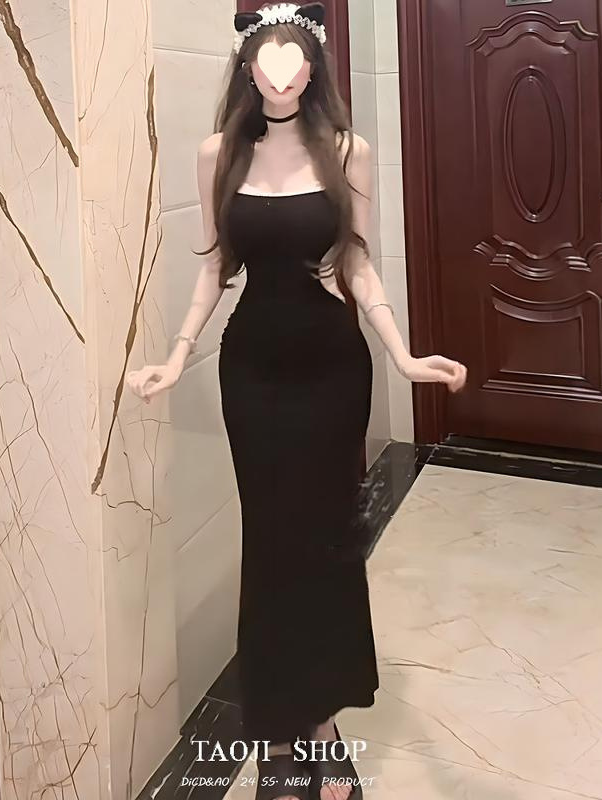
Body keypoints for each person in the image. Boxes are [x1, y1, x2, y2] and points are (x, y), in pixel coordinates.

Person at [126, 3, 467, 798]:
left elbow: (359, 265)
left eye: (294, 67)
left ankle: (320, 726)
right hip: (252, 370)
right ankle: (280, 732)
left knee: (327, 539)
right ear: (249, 71)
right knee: (272, 541)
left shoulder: (347, 151)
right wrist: (176, 353)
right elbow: (214, 267)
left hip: (331, 369)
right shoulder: (218, 153)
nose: (280, 81)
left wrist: (402, 353)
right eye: (266, 67)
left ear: (312, 70)